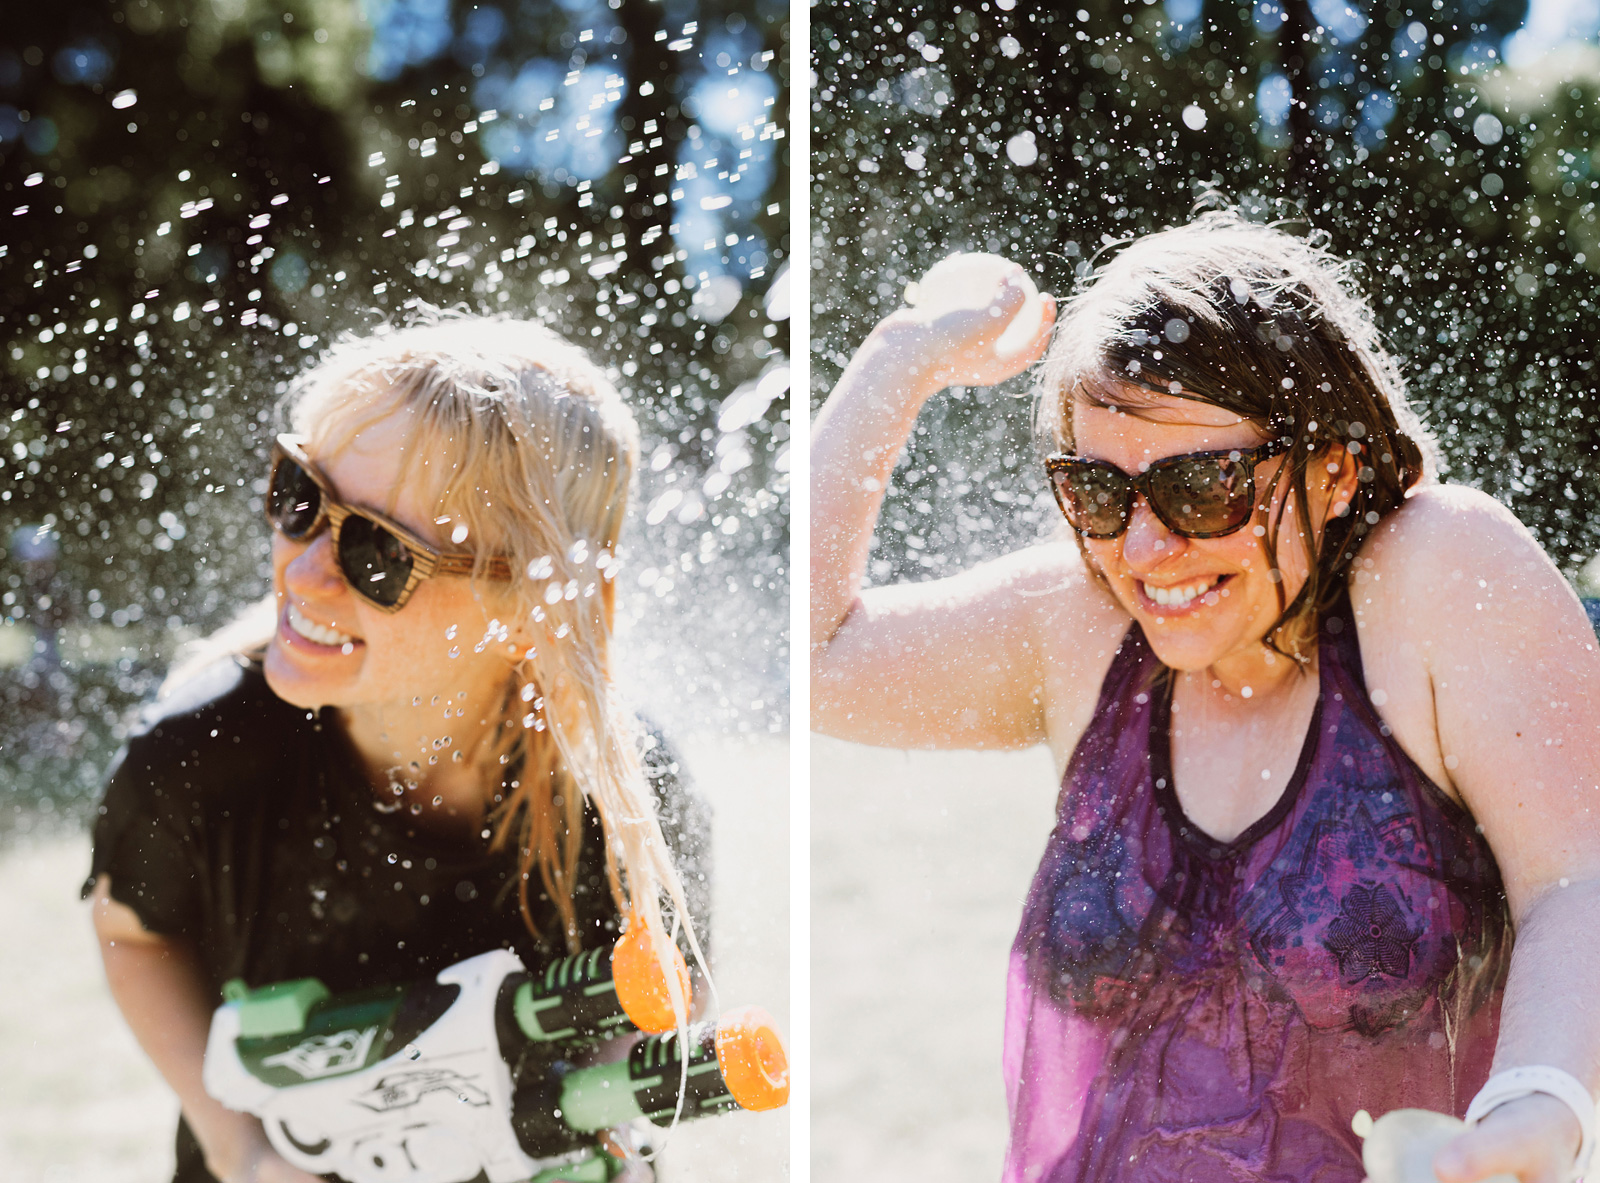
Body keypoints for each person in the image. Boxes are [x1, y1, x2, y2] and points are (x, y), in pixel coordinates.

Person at [811, 212, 1600, 1182]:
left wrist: (1537, 1100)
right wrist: (904, 357)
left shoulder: (1438, 575)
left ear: (1334, 468)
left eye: (1205, 484)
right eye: (1095, 490)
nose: (1142, 549)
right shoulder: (1082, 622)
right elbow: (815, 658)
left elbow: (1576, 879)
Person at [86, 312, 710, 1183]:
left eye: (379, 554)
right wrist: (238, 1144)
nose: (302, 572)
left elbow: (665, 1003)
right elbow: (132, 933)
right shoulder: (202, 757)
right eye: (300, 496)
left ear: (539, 606)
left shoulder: (621, 789)